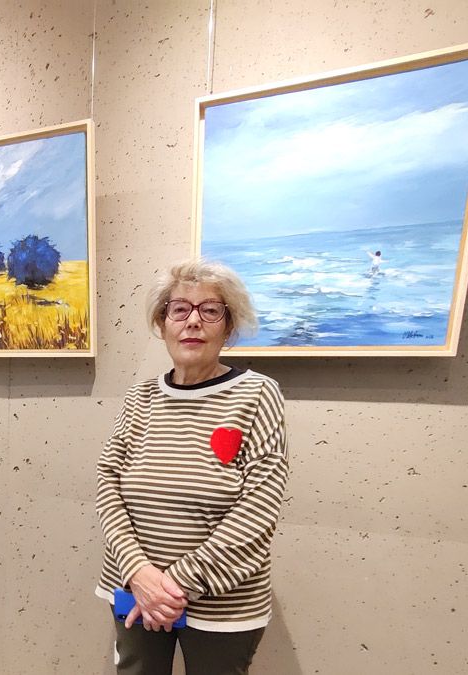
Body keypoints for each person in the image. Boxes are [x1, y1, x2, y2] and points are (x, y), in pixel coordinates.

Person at [95, 258, 289, 675]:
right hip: (134, 588)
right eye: (179, 309)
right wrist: (140, 575)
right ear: (162, 323)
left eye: (210, 310)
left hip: (223, 605)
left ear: (229, 325)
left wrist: (174, 586)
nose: (193, 322)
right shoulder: (140, 397)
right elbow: (107, 483)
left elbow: (259, 509)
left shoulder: (258, 395)